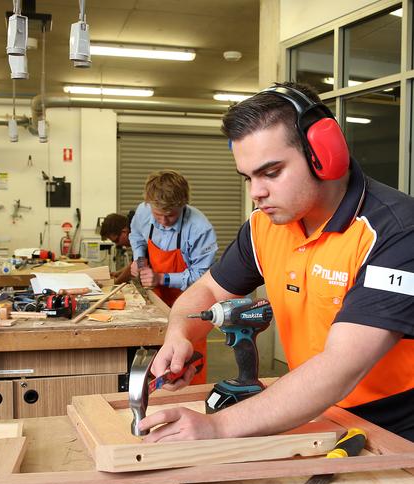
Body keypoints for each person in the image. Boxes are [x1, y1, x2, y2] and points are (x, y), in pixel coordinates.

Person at [139, 82, 414, 443]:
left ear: (323, 153)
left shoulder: (396, 231)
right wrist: (180, 335)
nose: (256, 192)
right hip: (315, 412)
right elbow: (207, 288)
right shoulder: (264, 225)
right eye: (249, 177)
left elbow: (341, 366)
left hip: (394, 428)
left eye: (271, 172)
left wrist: (217, 426)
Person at [129, 170, 218, 383]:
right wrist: (141, 263)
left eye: (170, 215)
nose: (163, 221)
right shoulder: (143, 211)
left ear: (183, 205)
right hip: (157, 299)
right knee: (152, 357)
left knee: (186, 361)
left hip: (190, 301)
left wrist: (160, 278)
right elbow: (136, 236)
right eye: (157, 215)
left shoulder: (200, 229)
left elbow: (200, 277)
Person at [100, 211, 135, 284]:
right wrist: (118, 273)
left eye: (116, 240)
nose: (118, 244)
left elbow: (136, 266)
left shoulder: (142, 235)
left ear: (124, 231)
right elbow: (134, 263)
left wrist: (115, 282)